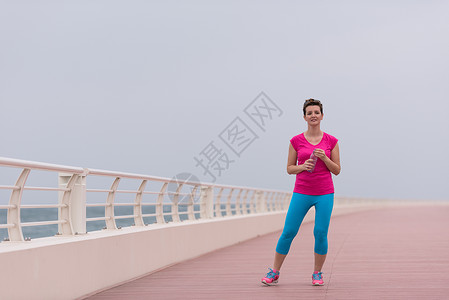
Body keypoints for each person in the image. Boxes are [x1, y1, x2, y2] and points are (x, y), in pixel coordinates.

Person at [261, 98, 341, 286]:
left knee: (320, 233)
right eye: (309, 113)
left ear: (322, 116)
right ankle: (275, 272)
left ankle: (317, 273)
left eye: (316, 112)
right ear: (304, 117)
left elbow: (337, 170)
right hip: (302, 192)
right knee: (289, 231)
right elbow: (289, 168)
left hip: (324, 193)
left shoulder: (332, 141)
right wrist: (303, 166)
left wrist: (325, 158)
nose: (313, 115)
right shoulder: (296, 141)